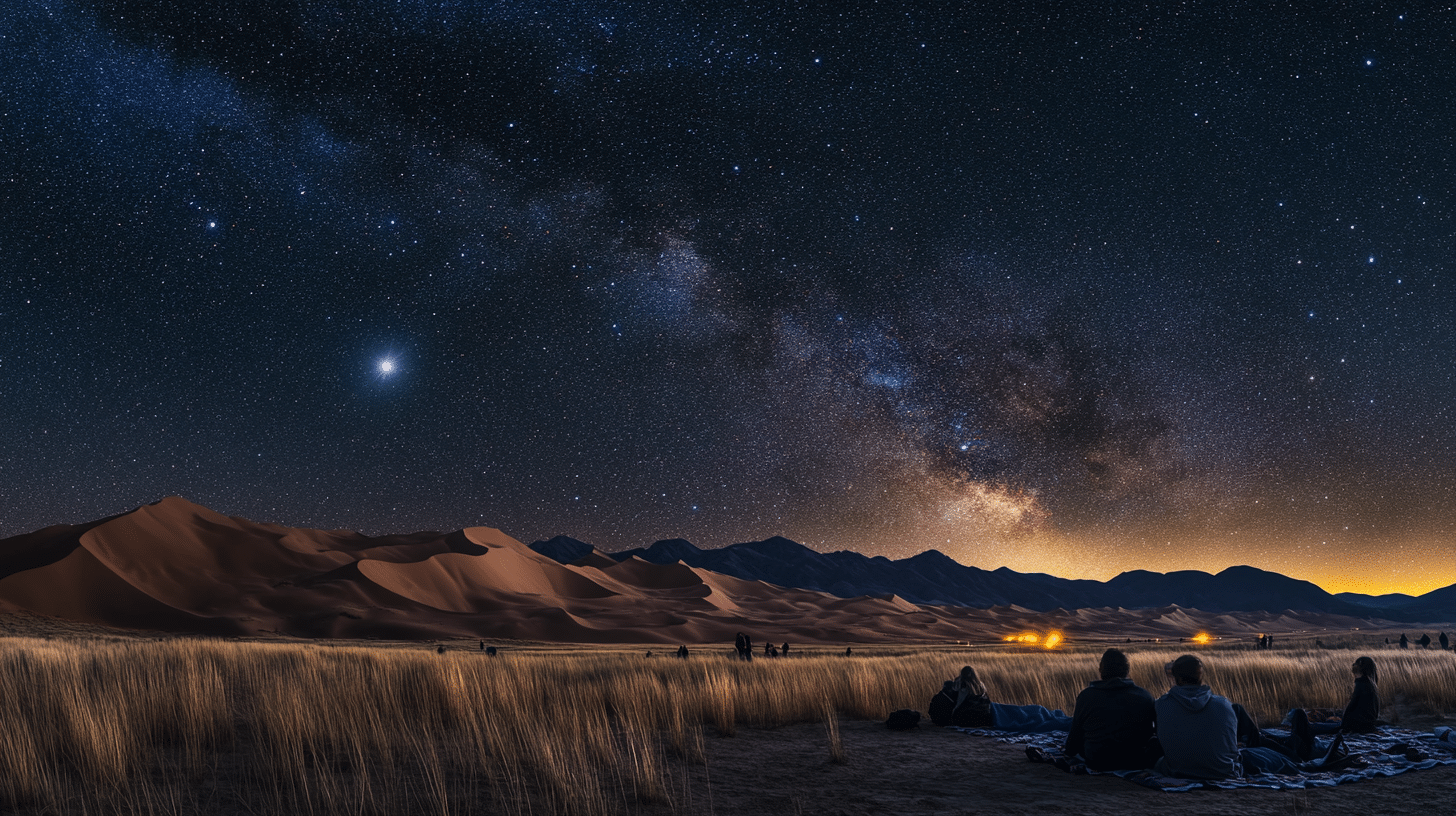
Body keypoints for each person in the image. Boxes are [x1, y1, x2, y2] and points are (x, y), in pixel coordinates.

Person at [1154, 655, 1300, 778]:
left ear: (1177, 678)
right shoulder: (1223, 704)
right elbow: (1231, 751)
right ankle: (1299, 760)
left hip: (1177, 772)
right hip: (1223, 771)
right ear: (1201, 676)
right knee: (1263, 755)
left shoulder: (1160, 705)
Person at [1064, 649, 1158, 771]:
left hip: (1097, 761)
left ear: (1101, 670)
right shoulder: (1145, 696)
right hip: (1136, 761)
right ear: (1127, 670)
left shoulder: (1086, 696)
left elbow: (1072, 745)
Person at [928, 666, 995, 728]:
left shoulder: (962, 686)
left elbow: (959, 703)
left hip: (965, 719)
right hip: (983, 718)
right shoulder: (981, 686)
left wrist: (951, 717)